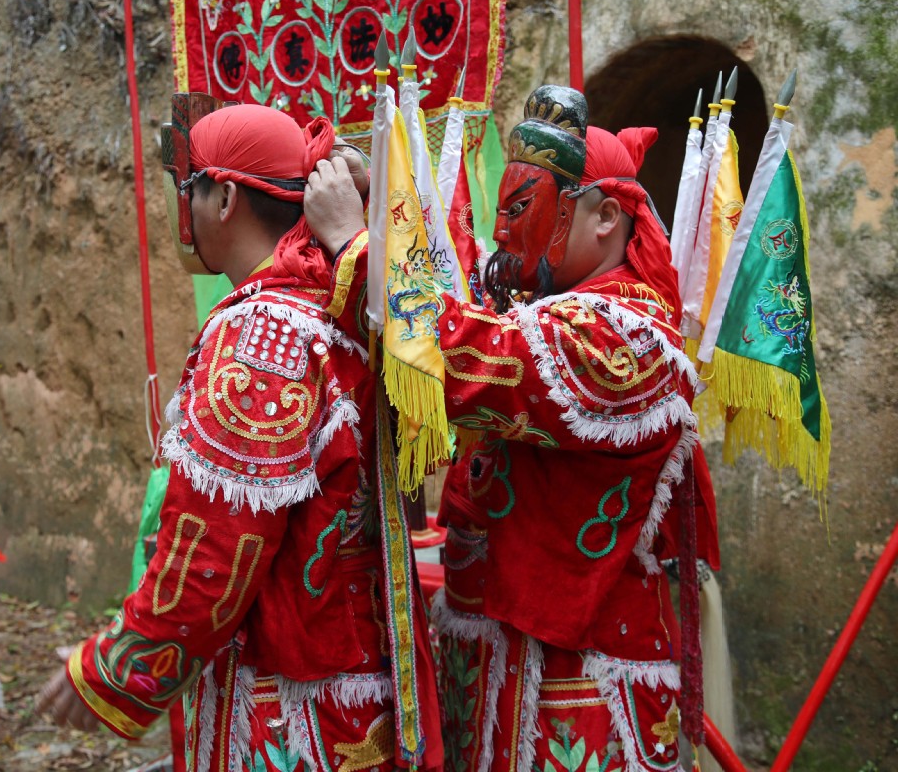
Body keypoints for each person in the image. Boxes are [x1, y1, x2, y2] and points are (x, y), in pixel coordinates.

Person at [304, 86, 719, 772]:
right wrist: (385, 202)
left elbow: (466, 355)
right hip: (510, 673)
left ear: (607, 217)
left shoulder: (626, 339)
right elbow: (471, 318)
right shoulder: (556, 312)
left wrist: (356, 241)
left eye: (522, 211)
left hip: (583, 693)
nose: (501, 234)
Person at [35, 101, 443, 771]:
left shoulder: (262, 333)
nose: (182, 209)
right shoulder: (337, 303)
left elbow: (219, 549)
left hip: (292, 708)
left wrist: (115, 667)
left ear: (223, 197)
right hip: (360, 679)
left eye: (187, 187)